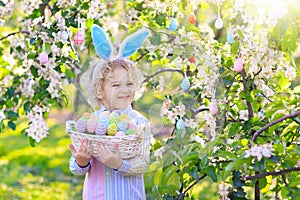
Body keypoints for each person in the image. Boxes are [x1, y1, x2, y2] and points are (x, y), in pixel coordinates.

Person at [69, 58, 151, 200]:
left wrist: (119, 164)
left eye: (130, 84)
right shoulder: (91, 122)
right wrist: (81, 161)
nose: (125, 90)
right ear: (100, 90)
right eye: (116, 85)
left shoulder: (140, 123)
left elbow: (143, 163)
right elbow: (75, 168)